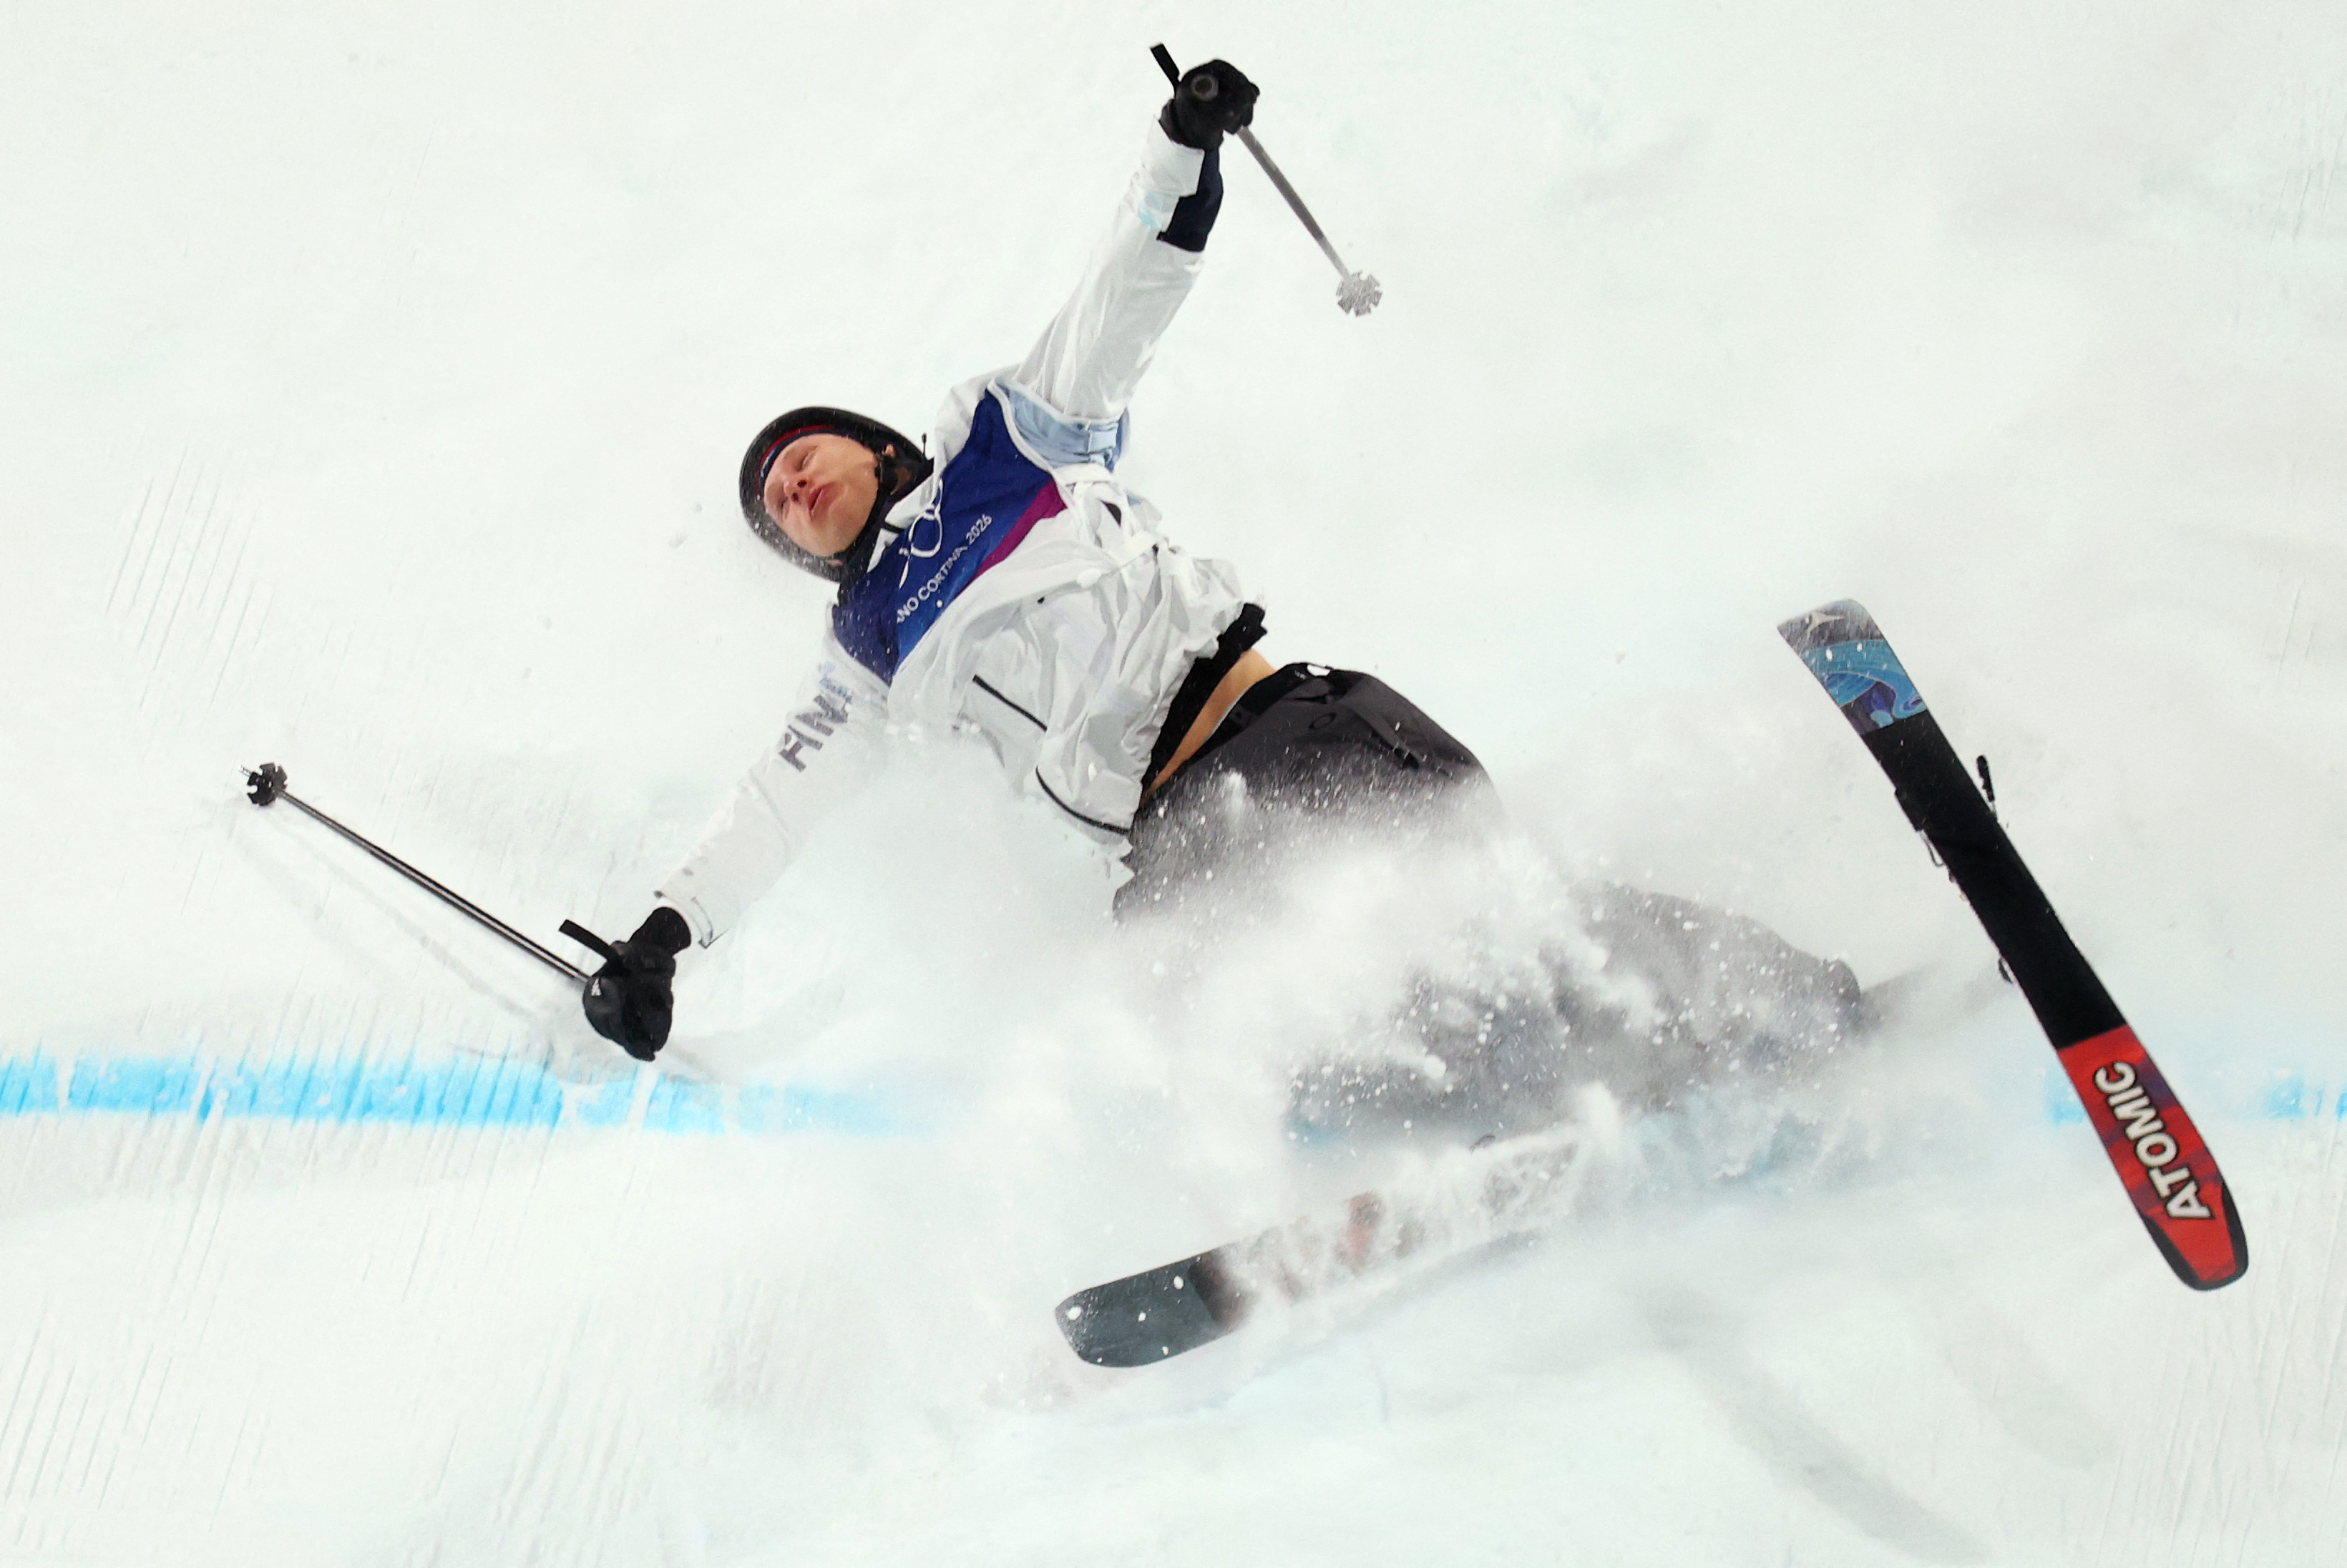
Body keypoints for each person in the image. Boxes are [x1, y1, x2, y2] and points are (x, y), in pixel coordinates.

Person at [582, 59, 1865, 1133]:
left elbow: (1119, 303)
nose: (789, 484)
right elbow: (774, 806)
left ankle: (1794, 1006)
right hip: (1167, 849)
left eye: (800, 456)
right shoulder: (864, 651)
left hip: (1284, 731)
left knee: (1495, 919)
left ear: (870, 445)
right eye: (771, 503)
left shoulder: (1005, 439)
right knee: (1297, 1036)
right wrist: (662, 939)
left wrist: (1179, 150)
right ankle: (1567, 1100)